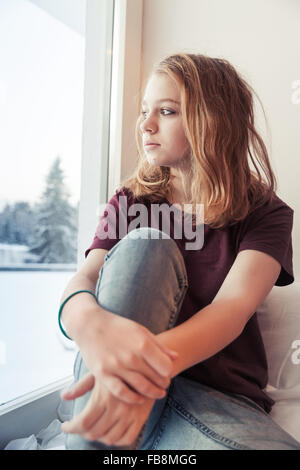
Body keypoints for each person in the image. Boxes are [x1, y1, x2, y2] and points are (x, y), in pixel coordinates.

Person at [59, 53, 300, 450]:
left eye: (167, 111)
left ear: (214, 122)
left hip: (214, 397)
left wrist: (145, 372)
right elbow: (84, 278)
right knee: (148, 243)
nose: (146, 125)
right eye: (144, 111)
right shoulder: (130, 202)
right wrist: (90, 326)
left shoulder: (266, 213)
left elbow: (231, 311)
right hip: (113, 382)